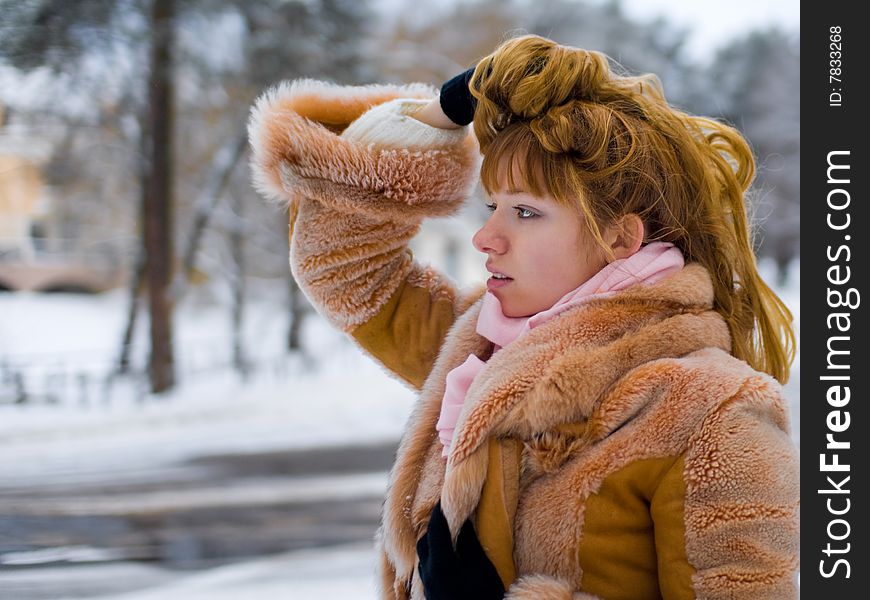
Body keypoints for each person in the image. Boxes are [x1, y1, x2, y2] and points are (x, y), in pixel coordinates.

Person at [248, 34, 799, 600]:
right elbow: (343, 266)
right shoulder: (480, 348)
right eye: (494, 208)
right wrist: (434, 116)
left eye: (526, 212)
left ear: (620, 238)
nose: (487, 237)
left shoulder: (712, 412)